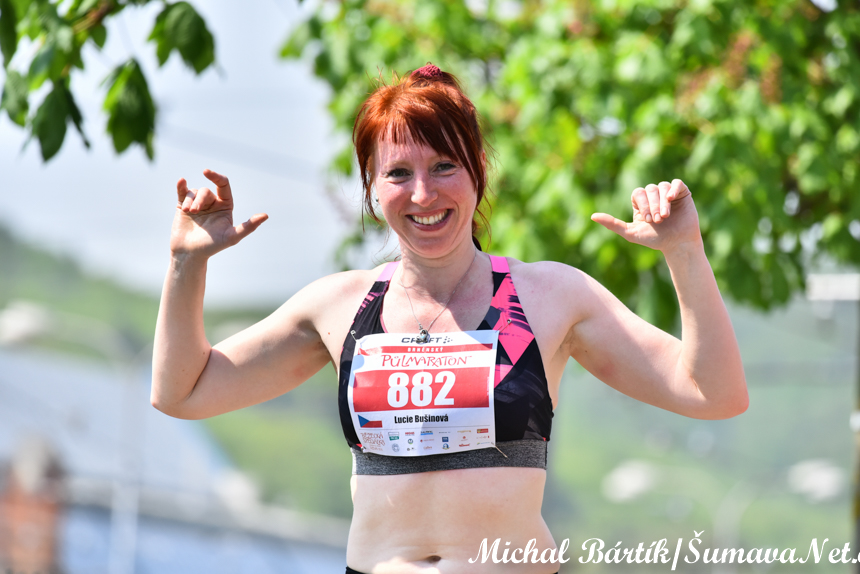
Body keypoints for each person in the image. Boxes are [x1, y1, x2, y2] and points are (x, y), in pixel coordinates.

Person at [151, 64, 748, 573]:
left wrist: (684, 251)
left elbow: (714, 393)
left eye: (443, 167)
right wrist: (185, 263)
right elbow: (183, 392)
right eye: (397, 173)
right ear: (371, 186)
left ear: (478, 169)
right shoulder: (337, 306)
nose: (422, 194)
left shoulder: (549, 295)